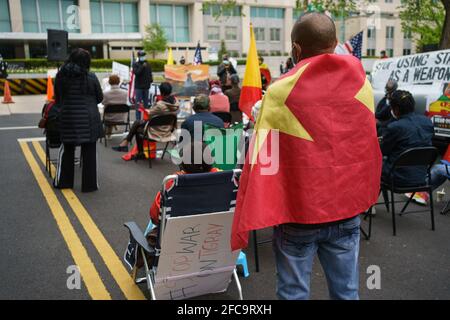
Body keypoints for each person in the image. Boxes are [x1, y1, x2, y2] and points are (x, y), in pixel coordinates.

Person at [230, 12, 382, 300]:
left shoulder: (279, 92)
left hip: (298, 213)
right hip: (347, 209)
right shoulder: (362, 84)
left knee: (294, 294)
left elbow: (263, 158)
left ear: (296, 49)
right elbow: (364, 146)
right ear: (336, 43)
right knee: (347, 292)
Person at [53, 48, 103, 193]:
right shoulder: (91, 77)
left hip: (68, 117)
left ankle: (64, 182)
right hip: (89, 119)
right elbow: (100, 98)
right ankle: (89, 185)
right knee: (89, 152)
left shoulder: (61, 77)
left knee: (67, 149)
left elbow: (57, 98)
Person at [380, 90, 434, 204]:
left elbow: (383, 151)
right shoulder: (427, 122)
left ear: (396, 109)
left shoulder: (394, 127)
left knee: (370, 163)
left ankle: (368, 203)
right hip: (421, 178)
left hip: (397, 178)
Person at [112, 82, 179, 156]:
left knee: (137, 128)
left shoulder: (160, 105)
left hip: (157, 130)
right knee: (137, 123)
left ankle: (136, 150)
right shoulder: (175, 102)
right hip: (168, 130)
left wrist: (145, 107)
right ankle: (125, 143)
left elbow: (150, 114)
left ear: (161, 92)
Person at [133, 50, 153, 120]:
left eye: (144, 55)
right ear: (139, 56)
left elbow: (150, 73)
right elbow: (137, 73)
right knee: (138, 104)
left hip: (146, 87)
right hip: (139, 87)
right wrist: (142, 67)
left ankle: (146, 119)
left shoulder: (148, 64)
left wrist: (150, 80)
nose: (143, 57)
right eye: (141, 56)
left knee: (146, 105)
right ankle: (138, 120)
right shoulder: (135, 64)